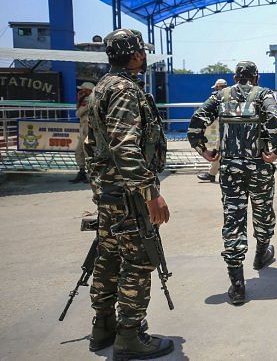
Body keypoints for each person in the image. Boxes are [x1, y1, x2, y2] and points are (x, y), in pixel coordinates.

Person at [84, 28, 174, 359]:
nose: (144, 55)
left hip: (109, 192)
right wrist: (150, 193)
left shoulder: (102, 87)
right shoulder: (123, 90)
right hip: (128, 195)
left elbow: (95, 144)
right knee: (138, 260)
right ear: (135, 54)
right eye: (142, 51)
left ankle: (103, 327)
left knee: (108, 256)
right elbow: (125, 146)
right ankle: (130, 336)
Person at [188, 61, 277, 305]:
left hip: (230, 169)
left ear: (235, 77)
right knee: (263, 212)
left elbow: (196, 123)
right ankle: (261, 254)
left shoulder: (220, 96)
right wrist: (276, 151)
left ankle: (237, 284)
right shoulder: (264, 95)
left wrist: (204, 151)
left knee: (233, 220)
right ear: (257, 77)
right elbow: (275, 122)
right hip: (260, 168)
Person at [196, 78, 228, 182]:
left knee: (219, 150)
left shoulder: (220, 98)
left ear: (220, 87)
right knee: (220, 150)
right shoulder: (230, 96)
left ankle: (212, 174)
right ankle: (215, 173)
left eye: (217, 88)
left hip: (226, 128)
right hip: (226, 127)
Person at [70, 82, 94, 183]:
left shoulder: (90, 100)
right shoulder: (85, 100)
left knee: (88, 152)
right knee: (79, 151)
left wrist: (80, 100)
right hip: (84, 130)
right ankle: (82, 172)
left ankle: (91, 174)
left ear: (88, 90)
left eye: (83, 90)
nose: (81, 91)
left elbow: (78, 113)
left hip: (89, 130)